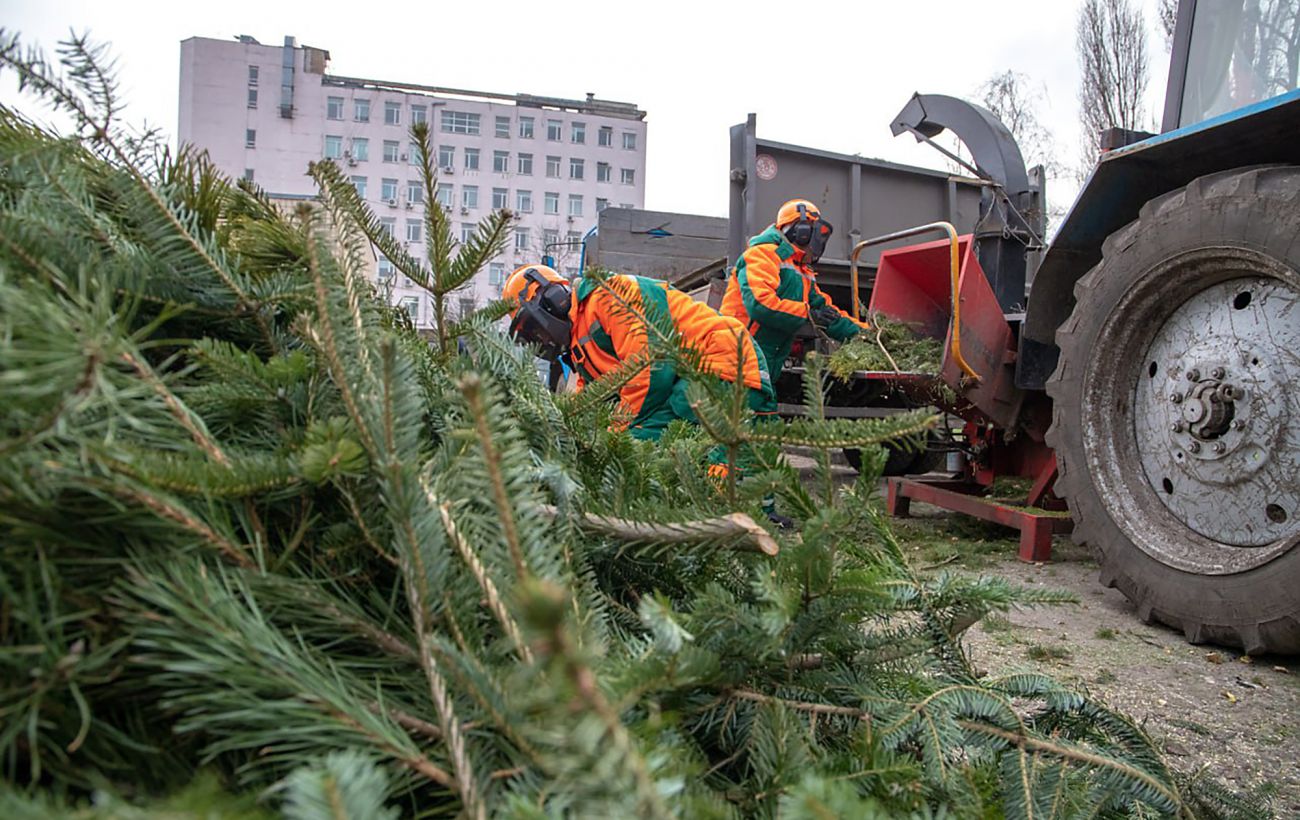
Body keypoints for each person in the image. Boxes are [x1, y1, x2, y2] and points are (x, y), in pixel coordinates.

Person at [503, 264, 777, 440]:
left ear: (554, 301)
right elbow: (594, 396)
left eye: (536, 329)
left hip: (723, 363)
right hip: (693, 374)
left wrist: (615, 435)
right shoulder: (580, 342)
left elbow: (650, 372)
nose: (541, 339)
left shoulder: (612, 295)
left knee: (642, 441)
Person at [720, 199, 869, 372]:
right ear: (801, 233)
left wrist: (866, 334)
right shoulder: (762, 255)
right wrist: (808, 314)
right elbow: (760, 305)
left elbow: (828, 314)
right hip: (738, 352)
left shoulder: (803, 271)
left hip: (765, 356)